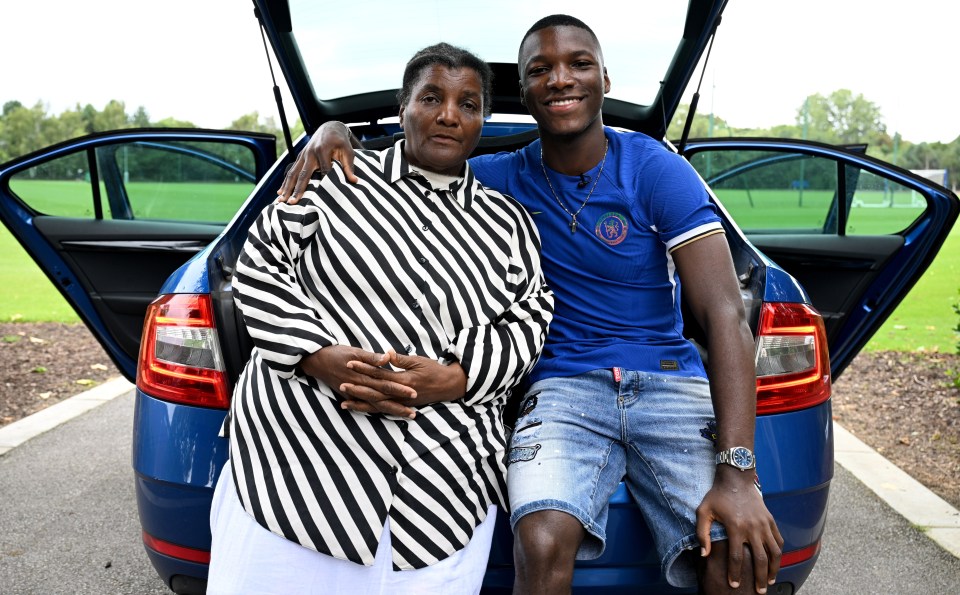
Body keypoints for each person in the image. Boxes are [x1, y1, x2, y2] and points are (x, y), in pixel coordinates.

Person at [278, 15, 783, 595]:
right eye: (540, 69)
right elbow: (417, 155)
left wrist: (738, 472)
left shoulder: (655, 168)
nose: (560, 78)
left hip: (669, 380)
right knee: (541, 540)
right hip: (562, 386)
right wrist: (332, 131)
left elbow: (725, 313)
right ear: (525, 90)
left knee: (730, 553)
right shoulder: (494, 178)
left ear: (605, 79)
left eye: (578, 63)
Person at [207, 42, 554, 595]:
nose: (449, 114)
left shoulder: (508, 221)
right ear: (403, 109)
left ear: (481, 122)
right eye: (432, 97)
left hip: (442, 486)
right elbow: (261, 265)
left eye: (468, 104)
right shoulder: (334, 178)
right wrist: (316, 357)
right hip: (299, 464)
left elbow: (531, 315)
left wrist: (458, 377)